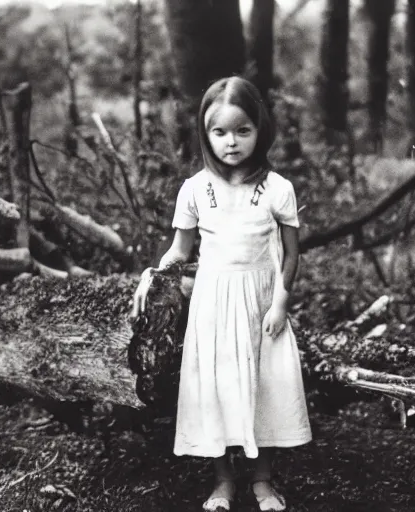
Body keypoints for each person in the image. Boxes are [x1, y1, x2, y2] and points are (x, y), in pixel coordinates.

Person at [131, 76, 312, 512]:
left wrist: (281, 304)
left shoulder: (278, 188)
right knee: (214, 389)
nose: (231, 142)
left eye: (242, 131)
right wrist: (150, 275)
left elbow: (290, 254)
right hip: (212, 306)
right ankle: (223, 482)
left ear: (259, 130)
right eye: (220, 132)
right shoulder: (195, 189)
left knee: (265, 389)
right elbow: (179, 250)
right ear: (206, 134)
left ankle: (263, 481)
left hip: (261, 304)